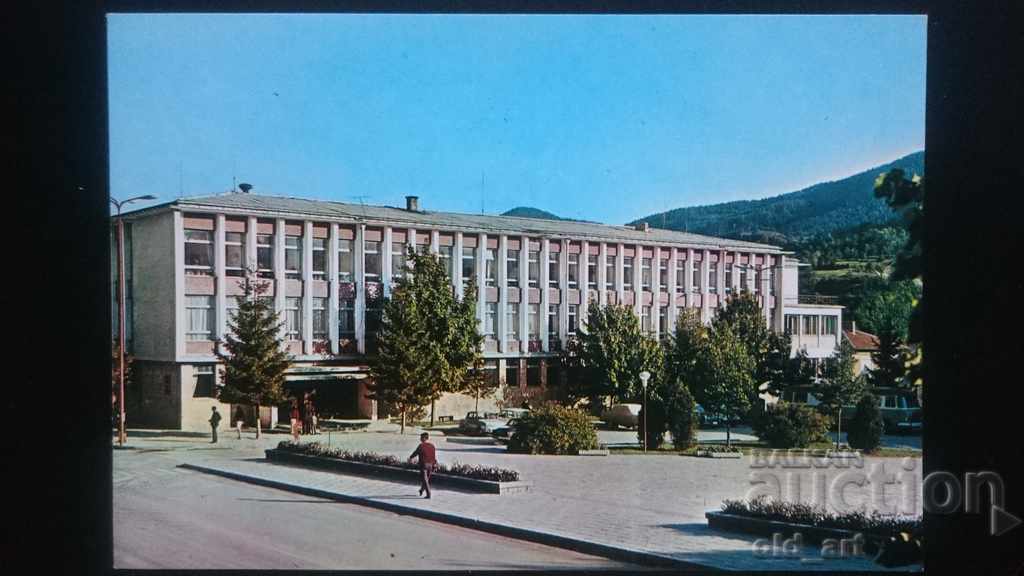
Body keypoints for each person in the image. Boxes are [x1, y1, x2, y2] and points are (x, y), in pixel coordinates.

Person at [408, 432, 437, 499]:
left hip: (424, 464)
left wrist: (410, 457)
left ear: (424, 438)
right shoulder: (432, 446)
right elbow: (433, 456)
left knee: (425, 480)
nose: (420, 439)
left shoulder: (421, 446)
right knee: (426, 479)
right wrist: (435, 464)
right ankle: (421, 490)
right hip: (431, 464)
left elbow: (415, 453)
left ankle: (428, 494)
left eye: (421, 437)